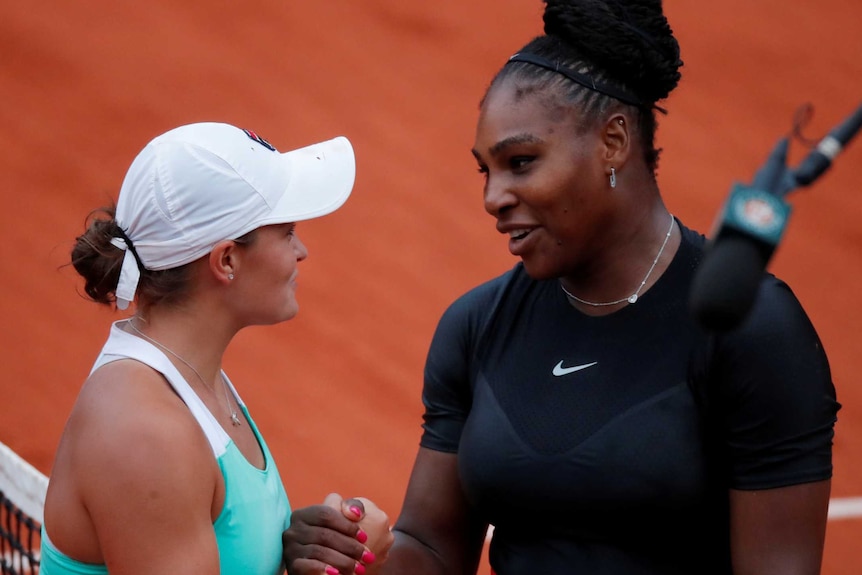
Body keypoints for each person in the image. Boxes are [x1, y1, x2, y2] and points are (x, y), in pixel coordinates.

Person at [285, 1, 840, 573]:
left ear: (614, 142)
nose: (492, 198)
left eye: (521, 162)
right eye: (486, 170)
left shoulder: (752, 329)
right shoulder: (476, 326)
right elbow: (430, 550)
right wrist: (351, 556)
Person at [41, 122, 393, 575]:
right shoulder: (146, 434)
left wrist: (291, 545)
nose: (301, 250)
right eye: (286, 231)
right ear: (226, 260)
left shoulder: (189, 379)